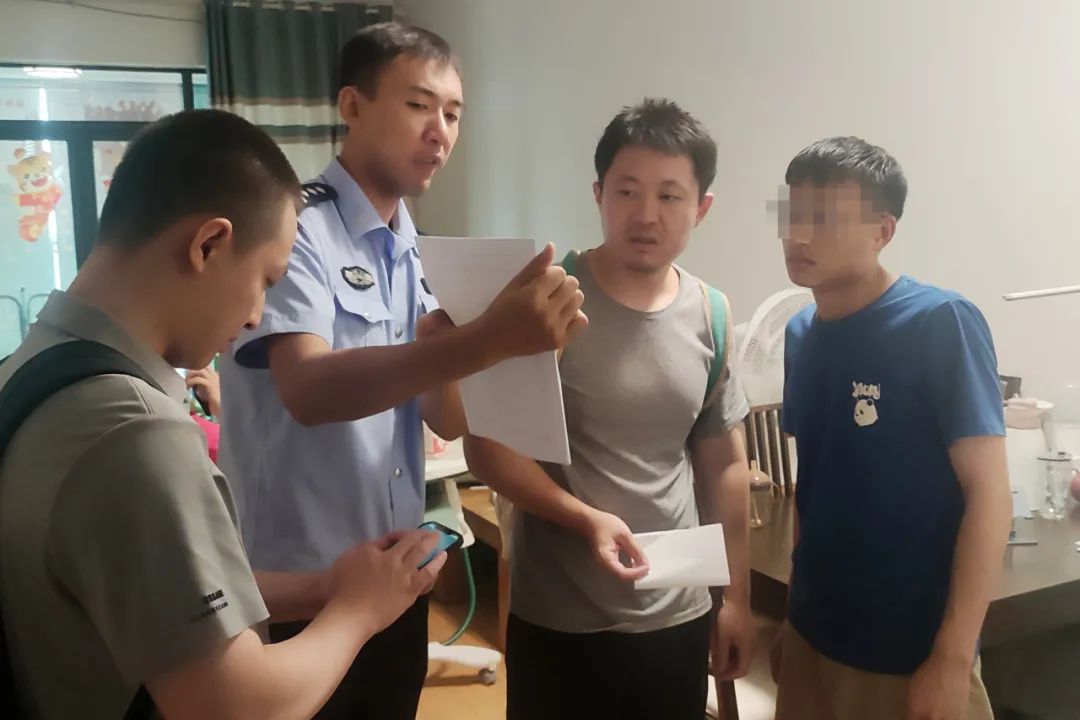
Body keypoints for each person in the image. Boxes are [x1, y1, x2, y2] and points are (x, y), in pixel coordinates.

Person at [0, 109, 447, 719]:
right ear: (207, 244)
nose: (257, 315)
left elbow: (158, 598)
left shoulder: (28, 367)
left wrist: (328, 587)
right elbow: (238, 708)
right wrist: (357, 612)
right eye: (266, 279)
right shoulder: (137, 432)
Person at [218, 22, 586, 719]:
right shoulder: (295, 227)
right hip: (297, 588)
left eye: (453, 113)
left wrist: (519, 355)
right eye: (419, 105)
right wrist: (481, 342)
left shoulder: (416, 250)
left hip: (397, 580)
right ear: (352, 106)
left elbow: (444, 414)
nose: (440, 131)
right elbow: (308, 390)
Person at [465, 98, 755, 720]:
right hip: (561, 615)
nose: (646, 214)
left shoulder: (712, 314)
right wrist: (585, 519)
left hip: (676, 611)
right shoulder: (544, 301)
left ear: (702, 207)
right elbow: (487, 449)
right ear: (598, 194)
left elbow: (724, 467)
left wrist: (735, 598)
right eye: (627, 191)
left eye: (670, 196)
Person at [772, 136, 1012, 720]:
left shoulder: (939, 321)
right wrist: (792, 618)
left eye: (824, 219)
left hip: (910, 653)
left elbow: (990, 494)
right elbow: (815, 486)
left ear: (882, 231)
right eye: (793, 214)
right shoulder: (800, 334)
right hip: (813, 634)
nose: (799, 235)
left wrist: (952, 657)